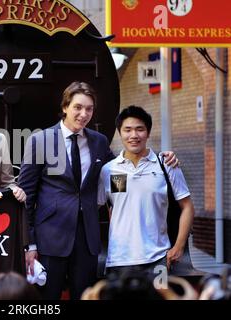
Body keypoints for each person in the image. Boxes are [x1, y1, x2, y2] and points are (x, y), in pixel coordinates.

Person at [18, 82, 178, 300]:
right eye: (78, 107)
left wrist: (162, 159)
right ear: (65, 107)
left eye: (89, 109)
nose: (84, 114)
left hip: (87, 240)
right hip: (50, 240)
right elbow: (27, 196)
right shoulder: (40, 140)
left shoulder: (98, 142)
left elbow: (122, 174)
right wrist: (30, 244)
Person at [98, 105, 194, 278]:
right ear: (120, 132)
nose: (134, 135)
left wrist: (179, 247)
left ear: (148, 133)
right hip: (119, 260)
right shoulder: (109, 170)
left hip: (158, 260)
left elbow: (187, 207)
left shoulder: (167, 165)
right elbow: (106, 207)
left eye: (139, 129)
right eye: (127, 130)